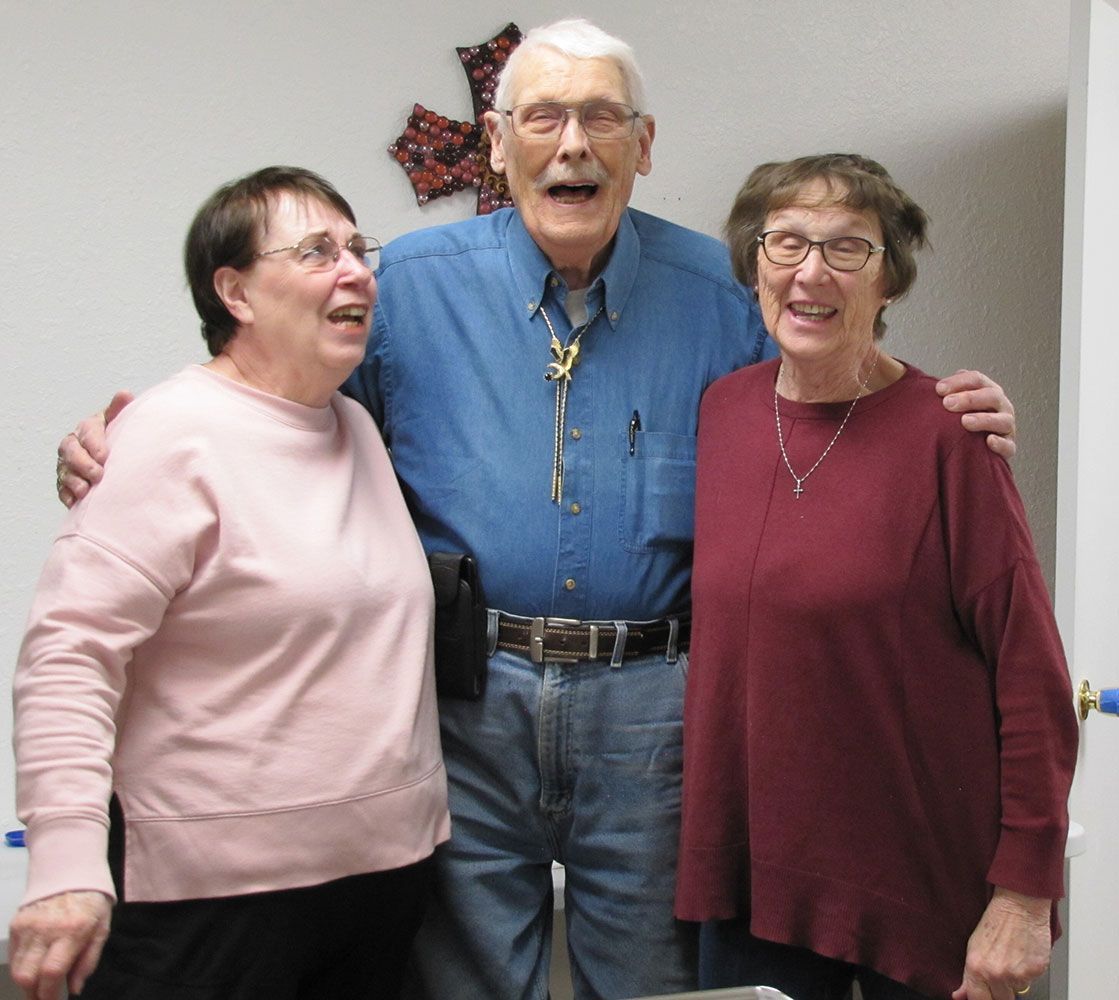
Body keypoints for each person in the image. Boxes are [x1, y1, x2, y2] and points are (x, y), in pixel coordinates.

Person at [52, 22, 1019, 1000]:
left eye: (603, 116)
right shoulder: (407, 290)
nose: (573, 144)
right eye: (544, 117)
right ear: (497, 142)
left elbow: (831, 423)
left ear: (642, 147)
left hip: (654, 708)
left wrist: (946, 416)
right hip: (460, 704)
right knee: (463, 981)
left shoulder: (727, 301)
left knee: (652, 984)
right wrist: (125, 435)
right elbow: (280, 405)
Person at [13, 166, 450, 1000]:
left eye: (358, 249)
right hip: (209, 904)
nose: (355, 269)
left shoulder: (352, 423)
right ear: (236, 292)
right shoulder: (168, 436)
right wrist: (65, 864)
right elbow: (69, 657)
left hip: (381, 882)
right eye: (317, 251)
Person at [675, 153, 1078, 1000]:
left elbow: (1030, 675)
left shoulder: (949, 438)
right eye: (783, 243)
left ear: (888, 280)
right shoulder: (723, 413)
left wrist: (1024, 892)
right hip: (755, 883)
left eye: (846, 248)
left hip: (915, 887)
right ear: (754, 265)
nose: (809, 271)